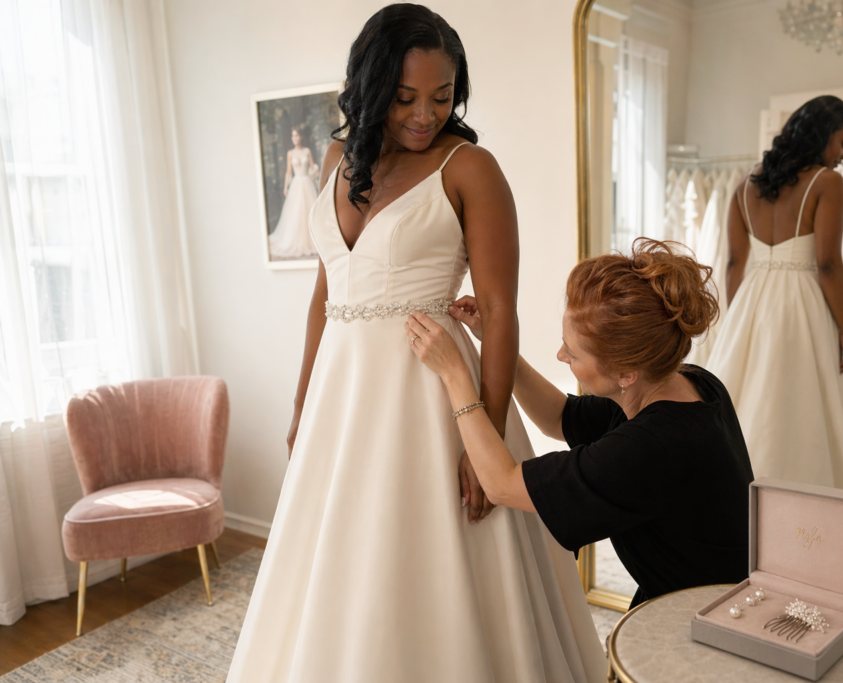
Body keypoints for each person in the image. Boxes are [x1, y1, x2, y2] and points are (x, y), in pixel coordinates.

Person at [227, 5, 605, 682]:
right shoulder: (340, 158)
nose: (425, 114)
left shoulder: (470, 168)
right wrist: (300, 405)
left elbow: (498, 308)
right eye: (406, 98)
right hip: (339, 401)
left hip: (432, 396)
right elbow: (324, 298)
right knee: (337, 570)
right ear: (372, 88)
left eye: (441, 96)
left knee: (437, 566)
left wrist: (484, 437)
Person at [407, 238, 754, 610]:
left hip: (702, 616)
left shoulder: (652, 447)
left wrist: (454, 373)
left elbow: (502, 484)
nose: (560, 355)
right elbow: (558, 416)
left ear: (625, 372)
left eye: (571, 353)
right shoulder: (683, 383)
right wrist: (493, 339)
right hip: (694, 589)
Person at [705, 95, 843, 491]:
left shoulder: (744, 185)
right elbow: (828, 263)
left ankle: (744, 496)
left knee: (749, 404)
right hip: (802, 302)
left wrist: (740, 319)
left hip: (752, 301)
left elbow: (733, 265)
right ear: (822, 134)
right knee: (803, 408)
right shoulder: (827, 183)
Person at [268, 127, 320, 259]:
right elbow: (289, 172)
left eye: (296, 136)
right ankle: (297, 240)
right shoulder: (290, 153)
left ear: (301, 137)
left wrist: (317, 170)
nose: (295, 138)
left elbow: (313, 167)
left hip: (307, 183)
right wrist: (286, 187)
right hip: (296, 184)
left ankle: (312, 241)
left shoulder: (307, 151)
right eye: (293, 136)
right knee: (297, 212)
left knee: (309, 212)